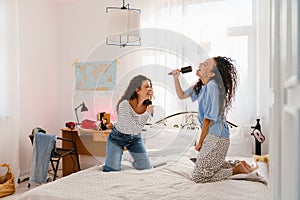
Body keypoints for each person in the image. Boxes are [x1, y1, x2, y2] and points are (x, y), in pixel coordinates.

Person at [171, 56, 251, 183]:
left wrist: (200, 142)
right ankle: (236, 164)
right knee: (200, 166)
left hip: (217, 137)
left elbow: (208, 120)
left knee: (199, 176)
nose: (200, 64)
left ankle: (236, 170)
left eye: (205, 64)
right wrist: (176, 78)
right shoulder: (201, 86)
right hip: (212, 136)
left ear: (212, 73)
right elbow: (181, 95)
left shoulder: (212, 86)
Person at [103, 75, 153, 172]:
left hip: (135, 138)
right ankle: (125, 157)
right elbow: (134, 128)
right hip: (117, 138)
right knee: (112, 170)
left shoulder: (146, 106)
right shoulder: (124, 104)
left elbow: (136, 130)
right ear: (137, 90)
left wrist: (147, 113)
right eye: (146, 87)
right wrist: (147, 114)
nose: (150, 89)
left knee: (146, 168)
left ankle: (132, 159)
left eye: (150, 86)